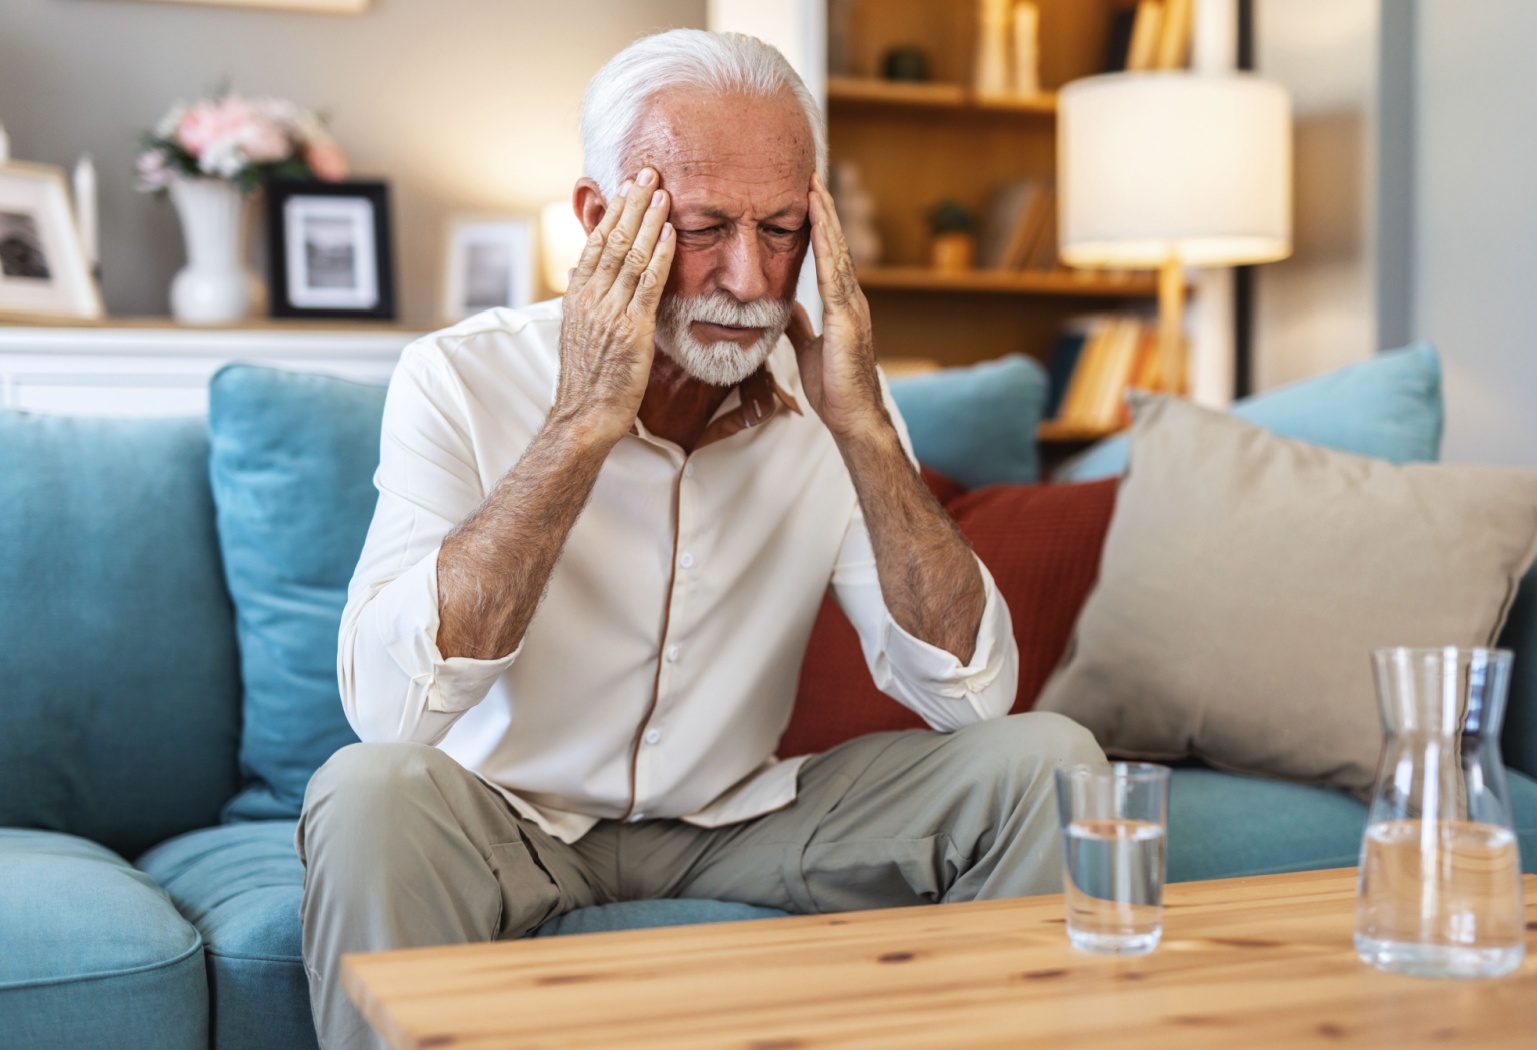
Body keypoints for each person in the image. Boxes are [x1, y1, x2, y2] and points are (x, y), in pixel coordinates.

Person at [299, 28, 1104, 1049]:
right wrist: (582, 422)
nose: (748, 277)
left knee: (1045, 760)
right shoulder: (458, 378)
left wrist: (861, 430)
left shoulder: (838, 398)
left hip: (740, 820)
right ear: (599, 218)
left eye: (780, 229)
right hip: (509, 823)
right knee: (366, 792)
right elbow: (390, 714)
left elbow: (971, 695)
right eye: (706, 226)